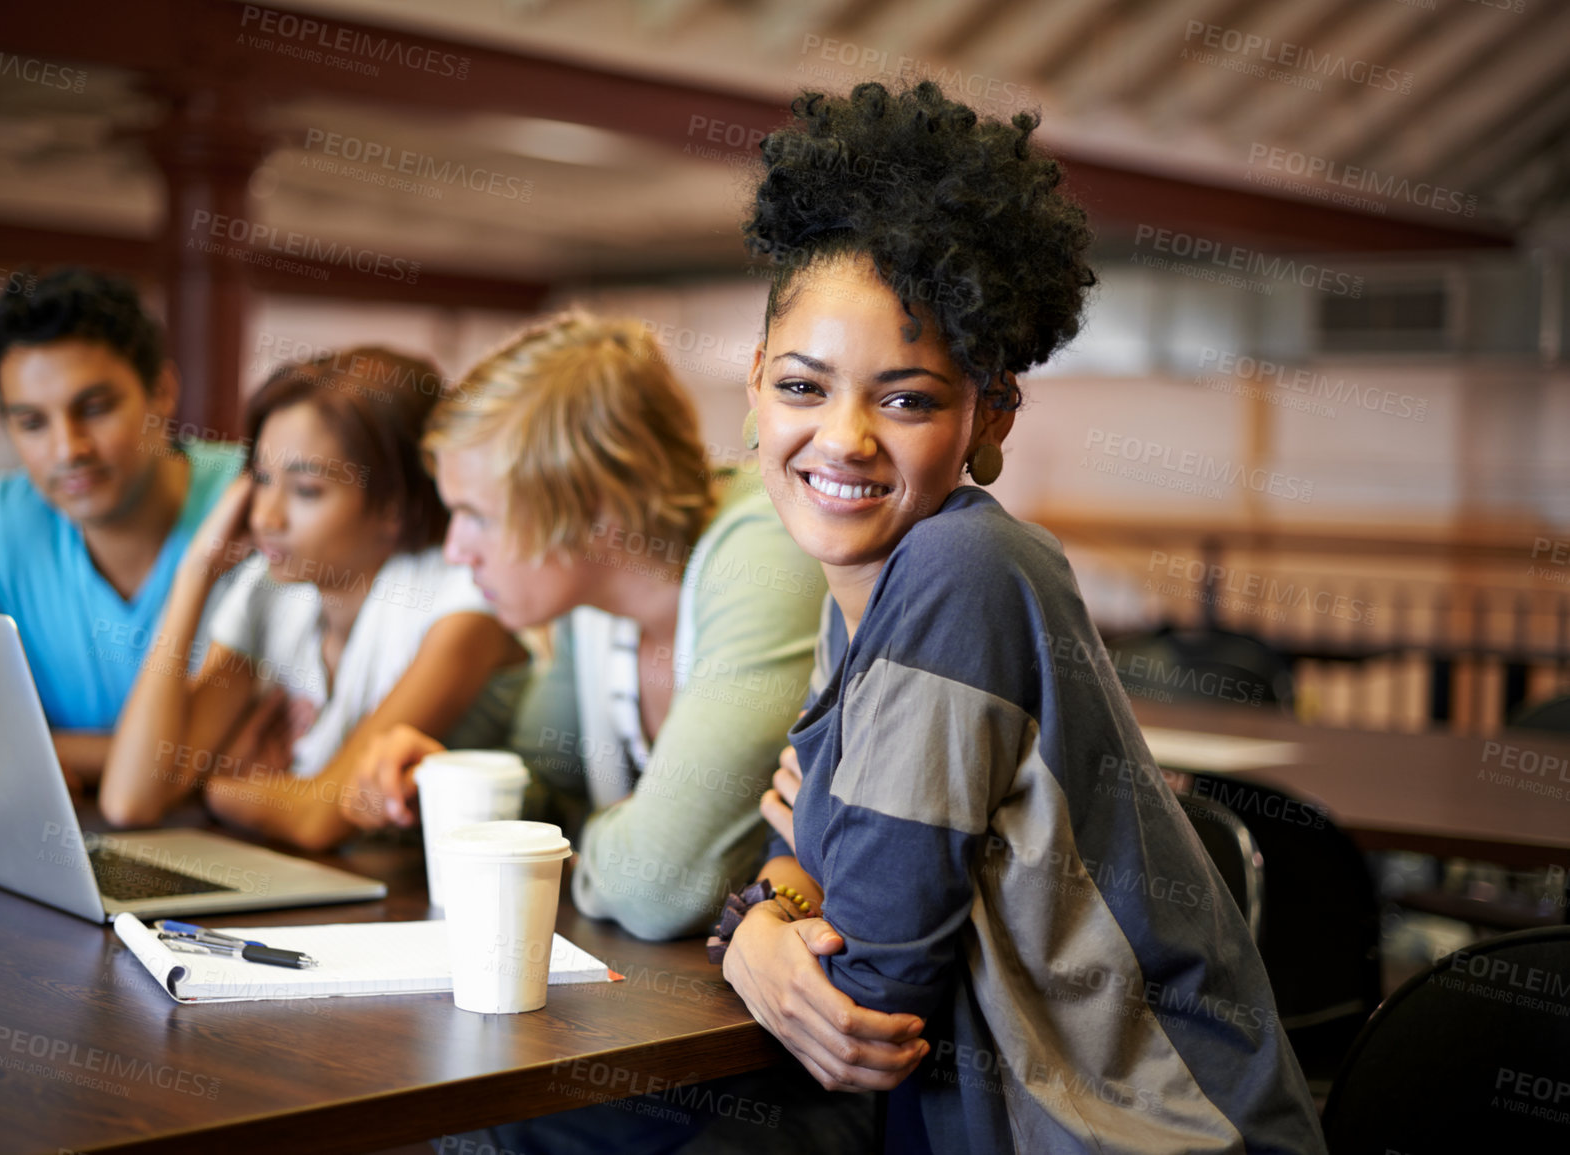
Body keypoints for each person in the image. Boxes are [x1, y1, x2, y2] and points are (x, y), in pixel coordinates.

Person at [719, 82, 1328, 1154]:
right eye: (805, 387)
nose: (845, 438)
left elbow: (870, 987)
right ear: (754, 388)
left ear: (989, 417)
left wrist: (762, 922)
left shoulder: (964, 566)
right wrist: (779, 901)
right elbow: (804, 861)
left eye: (907, 399)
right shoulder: (861, 581)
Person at [355, 312, 872, 1153]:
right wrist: (440, 776)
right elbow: (539, 792)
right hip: (690, 1026)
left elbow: (659, 883)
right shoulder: (598, 601)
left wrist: (629, 850)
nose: (456, 549)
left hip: (825, 1052)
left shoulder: (762, 547)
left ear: (586, 504)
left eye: (476, 514)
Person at [98, 348, 527, 851]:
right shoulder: (269, 586)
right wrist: (196, 572)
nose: (265, 518)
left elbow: (319, 817)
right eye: (260, 479)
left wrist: (211, 786)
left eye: (305, 490)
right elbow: (132, 798)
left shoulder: (461, 601)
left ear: (394, 505)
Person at [0, 268, 240, 789]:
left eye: (95, 408)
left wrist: (22, 752)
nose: (68, 449)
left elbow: (279, 751)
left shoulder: (257, 504)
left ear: (162, 393)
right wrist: (93, 758)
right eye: (32, 422)